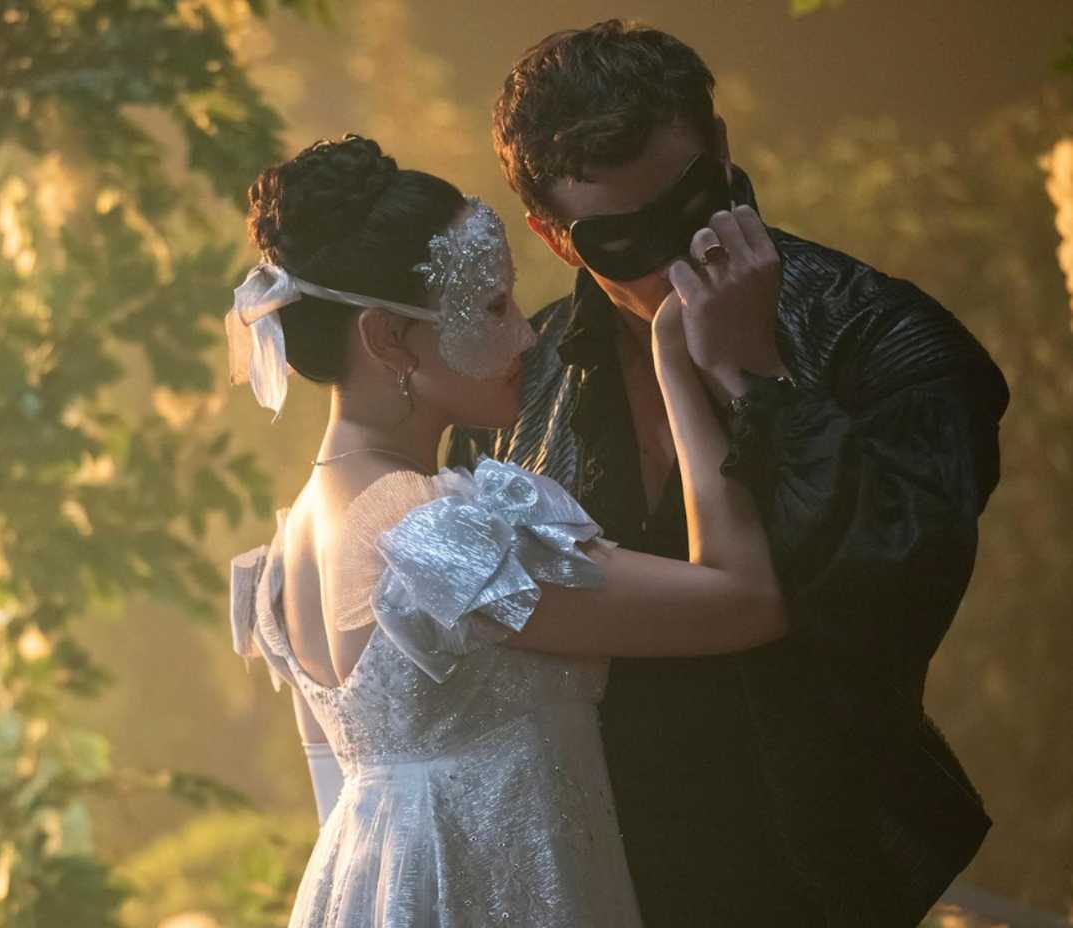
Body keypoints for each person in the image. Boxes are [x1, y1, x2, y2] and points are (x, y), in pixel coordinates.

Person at [448, 20, 1008, 926]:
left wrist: (761, 385)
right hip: (595, 863)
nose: (675, 258)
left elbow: (897, 595)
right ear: (556, 239)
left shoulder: (887, 341)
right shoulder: (517, 380)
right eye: (624, 242)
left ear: (723, 153)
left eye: (693, 204)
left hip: (814, 864)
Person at [225, 133, 788, 927]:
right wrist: (681, 360)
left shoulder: (288, 557)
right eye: (491, 307)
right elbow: (744, 602)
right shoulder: (437, 534)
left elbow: (336, 796)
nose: (527, 335)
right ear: (388, 339)